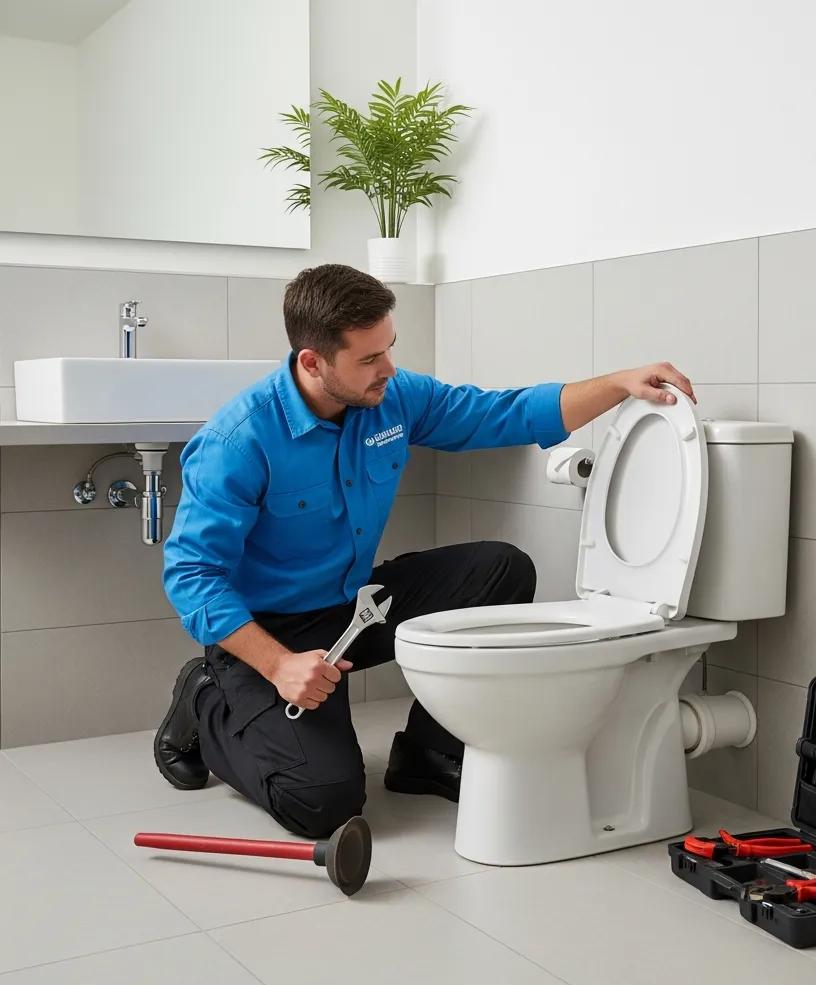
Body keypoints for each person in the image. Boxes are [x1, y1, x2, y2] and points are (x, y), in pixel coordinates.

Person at [154, 263, 695, 839]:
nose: (388, 369)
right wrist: (280, 665)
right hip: (266, 638)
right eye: (368, 359)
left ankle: (426, 754)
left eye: (389, 349)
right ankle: (208, 698)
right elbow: (193, 576)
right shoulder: (238, 442)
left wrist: (618, 385)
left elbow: (501, 413)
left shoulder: (392, 395)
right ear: (312, 362)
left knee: (500, 569)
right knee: (323, 804)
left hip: (350, 609)